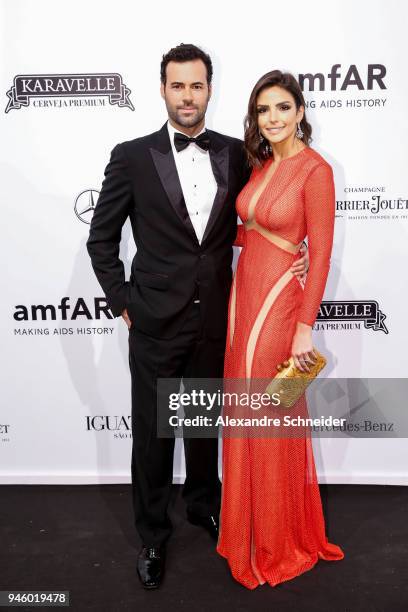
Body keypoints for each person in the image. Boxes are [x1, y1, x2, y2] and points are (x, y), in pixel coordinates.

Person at [87, 46, 308, 590]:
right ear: (163, 90)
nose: (188, 97)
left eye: (197, 86)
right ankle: (153, 535)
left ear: (210, 90)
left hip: (218, 319)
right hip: (155, 322)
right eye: (178, 86)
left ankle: (207, 508)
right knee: (154, 437)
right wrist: (124, 302)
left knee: (206, 426)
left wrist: (293, 251)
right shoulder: (131, 156)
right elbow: (102, 239)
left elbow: (258, 217)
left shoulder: (237, 154)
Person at [216, 70, 344, 589]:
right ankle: (243, 530)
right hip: (241, 299)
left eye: (282, 108)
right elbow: (248, 230)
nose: (272, 118)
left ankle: (277, 539)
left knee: (268, 413)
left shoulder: (315, 171)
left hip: (279, 307)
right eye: (264, 110)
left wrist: (304, 328)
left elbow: (324, 251)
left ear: (300, 111)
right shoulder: (262, 164)